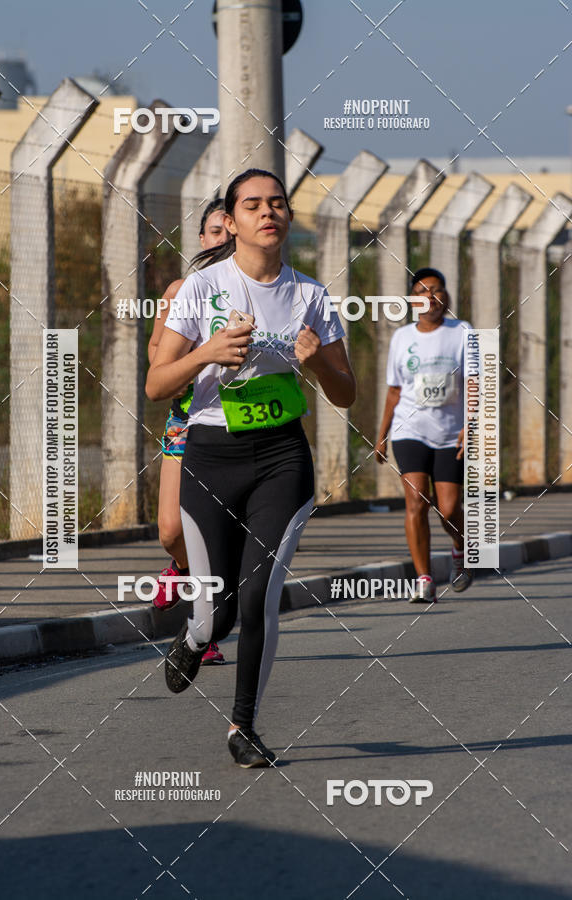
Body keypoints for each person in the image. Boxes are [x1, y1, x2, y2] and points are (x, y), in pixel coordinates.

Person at [146, 168, 355, 767]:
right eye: (254, 204)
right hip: (211, 457)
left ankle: (244, 726)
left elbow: (347, 394)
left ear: (287, 217)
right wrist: (207, 353)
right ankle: (195, 638)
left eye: (278, 203)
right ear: (231, 222)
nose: (268, 212)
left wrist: (319, 364)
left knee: (260, 593)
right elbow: (156, 384)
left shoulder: (310, 296)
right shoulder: (201, 289)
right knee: (216, 613)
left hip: (282, 458)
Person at [147, 199, 229, 665]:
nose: (222, 240)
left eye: (229, 231)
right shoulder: (179, 291)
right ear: (201, 239)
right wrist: (189, 360)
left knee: (212, 533)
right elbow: (156, 354)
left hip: (235, 424)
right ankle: (179, 569)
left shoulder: (255, 290)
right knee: (171, 530)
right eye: (214, 232)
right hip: (185, 419)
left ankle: (206, 628)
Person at [374, 267, 473, 603]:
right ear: (412, 301)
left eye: (436, 290)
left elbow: (474, 383)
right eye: (421, 292)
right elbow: (394, 390)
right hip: (409, 430)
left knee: (448, 508)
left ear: (447, 296)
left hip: (450, 435)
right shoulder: (402, 337)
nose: (430, 297)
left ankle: (460, 547)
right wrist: (382, 435)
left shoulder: (462, 331)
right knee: (417, 501)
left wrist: (471, 424)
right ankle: (424, 579)